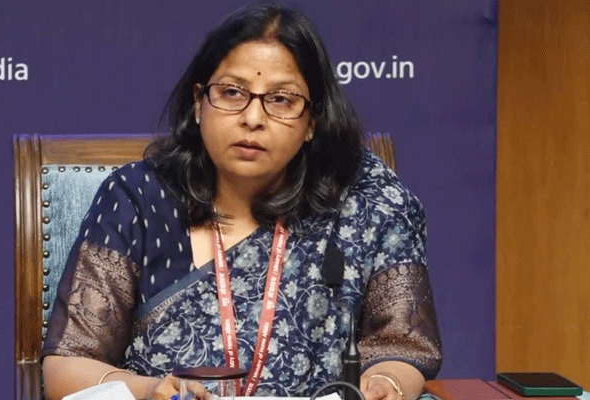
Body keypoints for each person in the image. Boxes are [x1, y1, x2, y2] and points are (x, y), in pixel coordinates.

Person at [42, 3, 442, 400]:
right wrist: (148, 391)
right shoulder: (138, 199)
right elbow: (67, 366)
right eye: (232, 93)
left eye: (281, 99)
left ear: (312, 121)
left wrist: (388, 384)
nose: (253, 118)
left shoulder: (364, 200)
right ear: (199, 103)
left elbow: (403, 347)